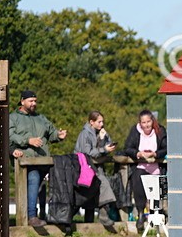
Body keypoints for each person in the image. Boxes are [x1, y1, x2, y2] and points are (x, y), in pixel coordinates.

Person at [8, 90, 66, 227]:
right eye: (31, 101)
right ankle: (32, 216)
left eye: (35, 101)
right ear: (22, 101)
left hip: (43, 160)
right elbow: (10, 136)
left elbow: (51, 132)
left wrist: (59, 135)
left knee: (47, 184)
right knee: (33, 178)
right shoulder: (13, 118)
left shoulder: (41, 118)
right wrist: (28, 140)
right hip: (26, 161)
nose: (34, 103)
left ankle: (51, 215)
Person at [123, 109, 167, 227]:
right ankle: (141, 213)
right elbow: (127, 148)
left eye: (148, 122)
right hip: (141, 165)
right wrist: (138, 153)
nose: (146, 125)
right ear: (140, 123)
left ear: (152, 121)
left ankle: (156, 214)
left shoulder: (160, 131)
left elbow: (166, 148)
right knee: (138, 179)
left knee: (157, 186)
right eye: (144, 122)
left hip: (157, 166)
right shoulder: (135, 131)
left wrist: (155, 154)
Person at [74, 110, 118, 227]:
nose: (102, 124)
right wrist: (104, 150)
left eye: (102, 121)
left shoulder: (101, 132)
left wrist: (104, 140)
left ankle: (93, 221)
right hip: (85, 167)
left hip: (96, 167)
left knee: (96, 189)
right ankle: (102, 215)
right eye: (99, 122)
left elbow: (106, 146)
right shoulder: (85, 134)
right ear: (91, 122)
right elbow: (88, 152)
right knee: (103, 184)